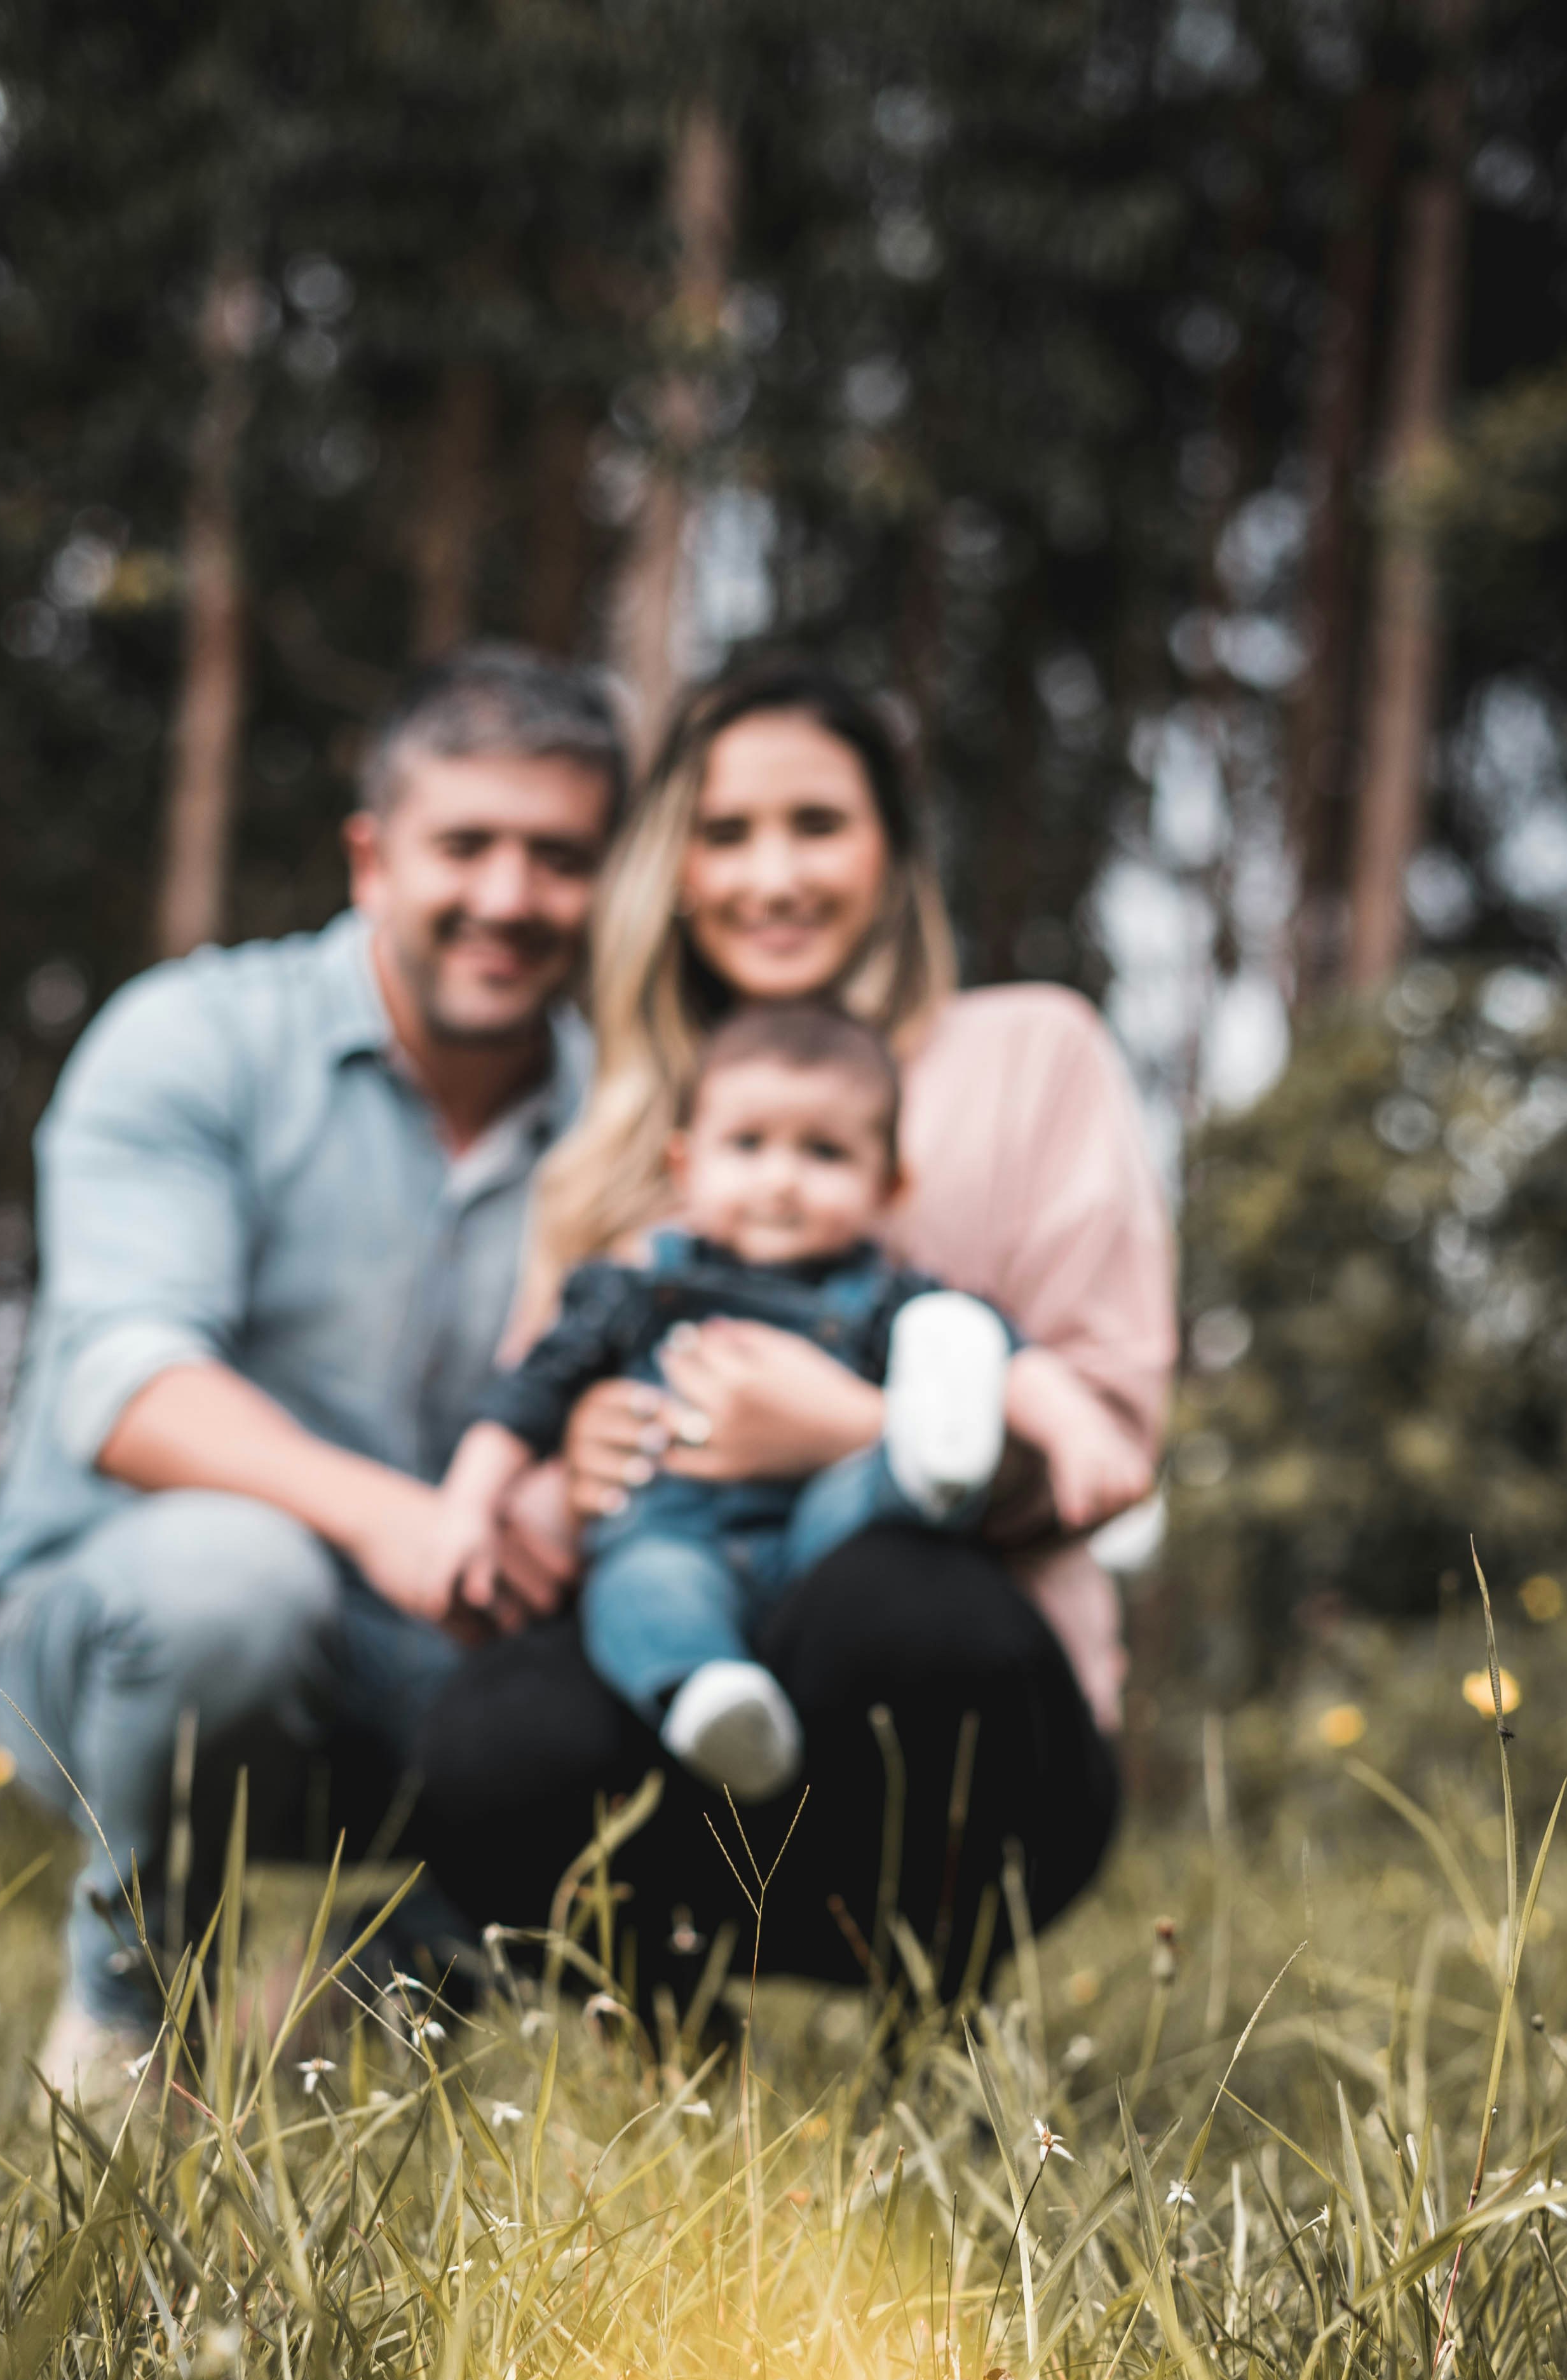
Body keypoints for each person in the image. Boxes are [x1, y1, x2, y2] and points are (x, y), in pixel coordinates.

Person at [410, 652, 1178, 2005]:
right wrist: (576, 1467)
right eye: (725, 833)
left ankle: (932, 2047)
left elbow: (1107, 1445)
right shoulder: (624, 1138)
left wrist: (853, 1429)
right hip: (691, 1692)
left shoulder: (1029, 1056)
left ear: (890, 850)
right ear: (675, 867)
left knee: (892, 1604)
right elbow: (528, 1471)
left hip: (954, 1729)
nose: (771, 877)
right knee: (493, 1736)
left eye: (815, 825)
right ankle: (668, 2068)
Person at [0, 644, 625, 2083]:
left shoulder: (632, 1123)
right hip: (128, 1634)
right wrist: (388, 1516)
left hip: (439, 1663)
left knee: (653, 1661)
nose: (508, 899)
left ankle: (343, 2048)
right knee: (236, 1583)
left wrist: (566, 1500)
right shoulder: (192, 1037)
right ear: (371, 859)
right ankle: (127, 2046)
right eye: (467, 847)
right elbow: (128, 1391)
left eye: (559, 858)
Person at [438, 999, 1101, 1802]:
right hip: (674, 1531)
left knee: (889, 1490)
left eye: (823, 1153)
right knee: (640, 1591)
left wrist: (1072, 1428)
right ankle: (712, 1700)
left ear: (888, 1186)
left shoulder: (889, 1296)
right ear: (685, 1166)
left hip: (820, 1536)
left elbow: (1008, 1358)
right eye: (747, 1146)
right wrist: (467, 1506)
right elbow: (531, 1394)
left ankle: (927, 1462)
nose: (780, 1179)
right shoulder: (637, 1286)